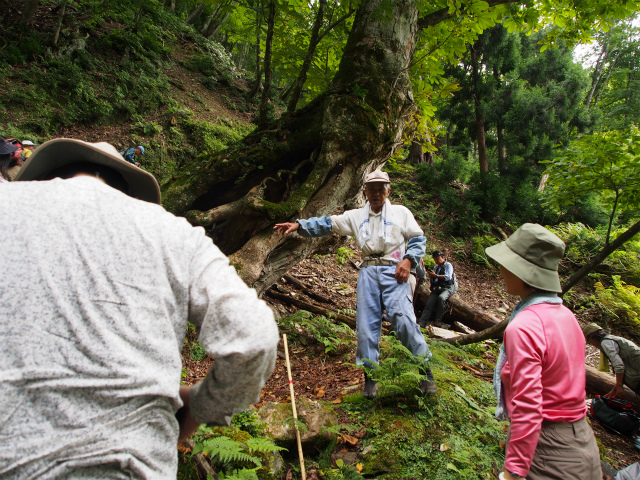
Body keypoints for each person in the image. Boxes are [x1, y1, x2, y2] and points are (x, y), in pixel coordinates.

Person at [1, 138, 279, 478]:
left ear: (46, 175)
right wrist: (199, 407)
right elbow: (256, 337)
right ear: (127, 189)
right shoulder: (174, 233)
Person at [273, 169, 436, 398]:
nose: (377, 193)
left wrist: (408, 261)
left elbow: (418, 238)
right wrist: (300, 226)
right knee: (366, 325)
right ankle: (370, 378)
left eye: (381, 188)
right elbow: (329, 223)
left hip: (396, 270)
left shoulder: (401, 213)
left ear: (388, 190)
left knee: (403, 319)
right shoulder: (356, 215)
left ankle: (424, 370)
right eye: (372, 189)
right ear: (365, 191)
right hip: (368, 271)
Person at [486, 223, 601, 480]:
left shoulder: (524, 327)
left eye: (506, 263)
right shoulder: (567, 317)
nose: (501, 270)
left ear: (522, 272)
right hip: (583, 442)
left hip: (549, 451)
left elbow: (528, 406)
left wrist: (513, 471)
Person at [583, 323, 640, 398]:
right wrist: (616, 387)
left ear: (593, 337)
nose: (592, 344)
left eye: (590, 341)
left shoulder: (606, 343)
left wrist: (620, 387)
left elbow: (619, 365)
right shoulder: (611, 339)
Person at [417, 250, 457, 327]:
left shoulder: (448, 265)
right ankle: (422, 321)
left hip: (447, 287)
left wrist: (436, 276)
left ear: (442, 257)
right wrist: (431, 277)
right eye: (434, 259)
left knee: (441, 298)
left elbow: (448, 277)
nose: (436, 261)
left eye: (437, 259)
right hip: (437, 288)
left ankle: (438, 320)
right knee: (429, 303)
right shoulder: (436, 267)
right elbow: (434, 280)